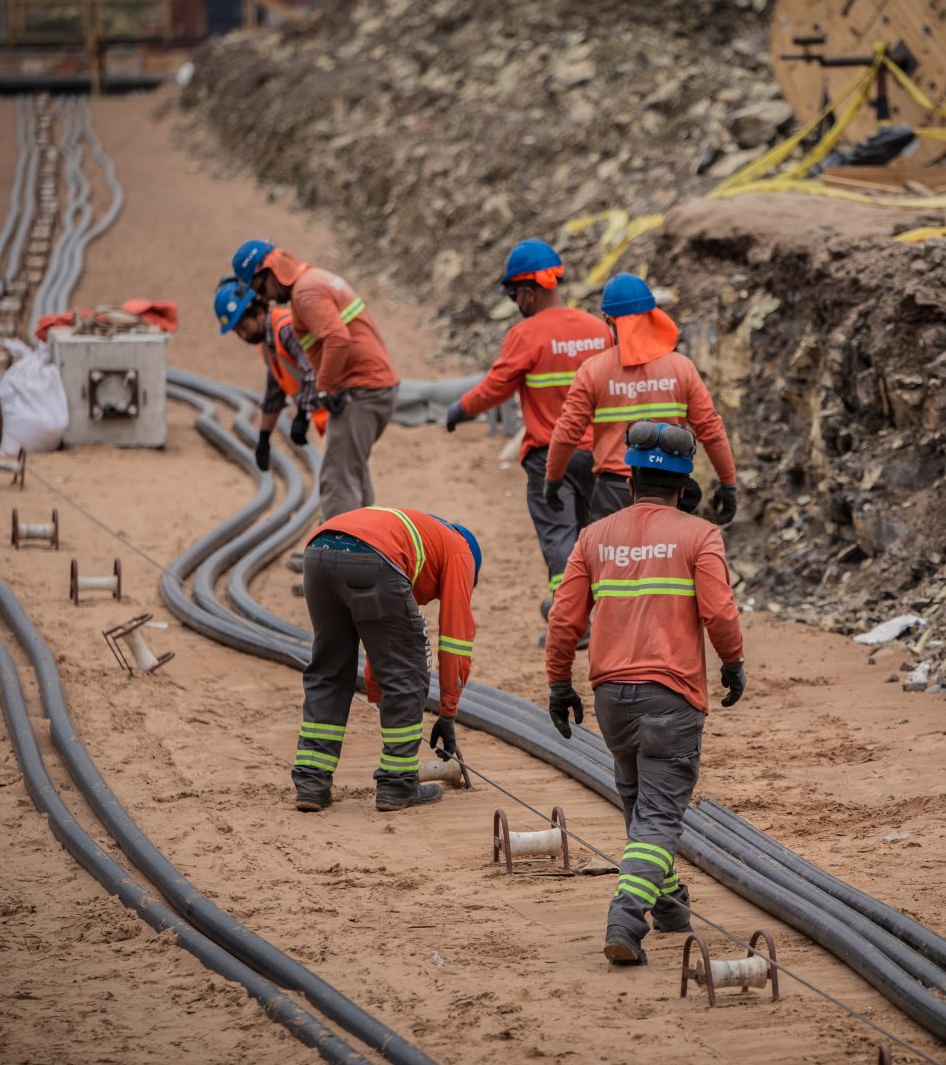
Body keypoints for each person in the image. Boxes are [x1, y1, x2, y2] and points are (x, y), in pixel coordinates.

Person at [545, 421, 746, 964]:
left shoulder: (594, 537)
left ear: (630, 482)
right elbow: (720, 612)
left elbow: (565, 620)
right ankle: (624, 920)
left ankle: (671, 904)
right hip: (672, 698)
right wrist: (732, 663)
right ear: (683, 489)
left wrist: (559, 682)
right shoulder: (700, 535)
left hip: (612, 695)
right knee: (658, 815)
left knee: (640, 807)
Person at [444, 240, 608, 609]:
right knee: (592, 536)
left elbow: (494, 389)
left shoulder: (526, 335)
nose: (517, 305)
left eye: (517, 295)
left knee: (559, 536)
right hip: (598, 453)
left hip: (550, 456)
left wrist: (460, 409)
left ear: (529, 293)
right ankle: (592, 612)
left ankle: (570, 616)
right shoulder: (598, 329)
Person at [294, 505, 481, 814]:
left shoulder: (417, 533)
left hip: (318, 553)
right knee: (409, 674)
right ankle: (397, 784)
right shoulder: (461, 552)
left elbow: (380, 638)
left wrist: (379, 691)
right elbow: (456, 640)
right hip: (373, 559)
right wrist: (448, 711)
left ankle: (311, 784)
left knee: (329, 671)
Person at [543, 273, 738, 525]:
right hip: (671, 492)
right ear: (652, 314)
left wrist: (553, 479)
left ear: (608, 319)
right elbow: (710, 429)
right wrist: (728, 483)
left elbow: (567, 432)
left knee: (608, 562)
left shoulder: (593, 370)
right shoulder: (682, 368)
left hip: (615, 493)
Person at [231, 240, 400, 519]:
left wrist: (323, 390)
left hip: (359, 392)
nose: (269, 299)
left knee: (337, 482)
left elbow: (337, 338)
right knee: (351, 475)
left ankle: (342, 556)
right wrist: (264, 436)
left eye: (262, 289)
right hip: (371, 388)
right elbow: (277, 386)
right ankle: (370, 550)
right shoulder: (315, 280)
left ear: (270, 271)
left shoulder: (305, 292)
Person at [212, 276, 325, 472]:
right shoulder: (268, 342)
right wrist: (264, 437)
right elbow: (275, 390)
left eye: (244, 328)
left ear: (258, 312)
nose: (244, 336)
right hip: (332, 413)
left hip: (343, 405)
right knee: (341, 479)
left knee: (338, 481)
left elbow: (312, 370)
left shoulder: (286, 328)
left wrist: (302, 414)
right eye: (238, 332)